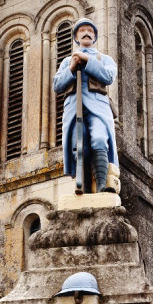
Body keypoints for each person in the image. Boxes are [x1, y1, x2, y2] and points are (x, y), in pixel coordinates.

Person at [53, 18, 119, 193]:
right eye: (81, 30)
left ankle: (102, 187)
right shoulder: (67, 61)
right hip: (74, 108)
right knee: (78, 146)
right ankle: (84, 189)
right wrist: (72, 67)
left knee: (99, 139)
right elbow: (57, 85)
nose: (86, 33)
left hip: (98, 108)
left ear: (95, 36)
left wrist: (87, 61)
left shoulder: (104, 59)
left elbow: (108, 76)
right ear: (76, 37)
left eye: (90, 30)